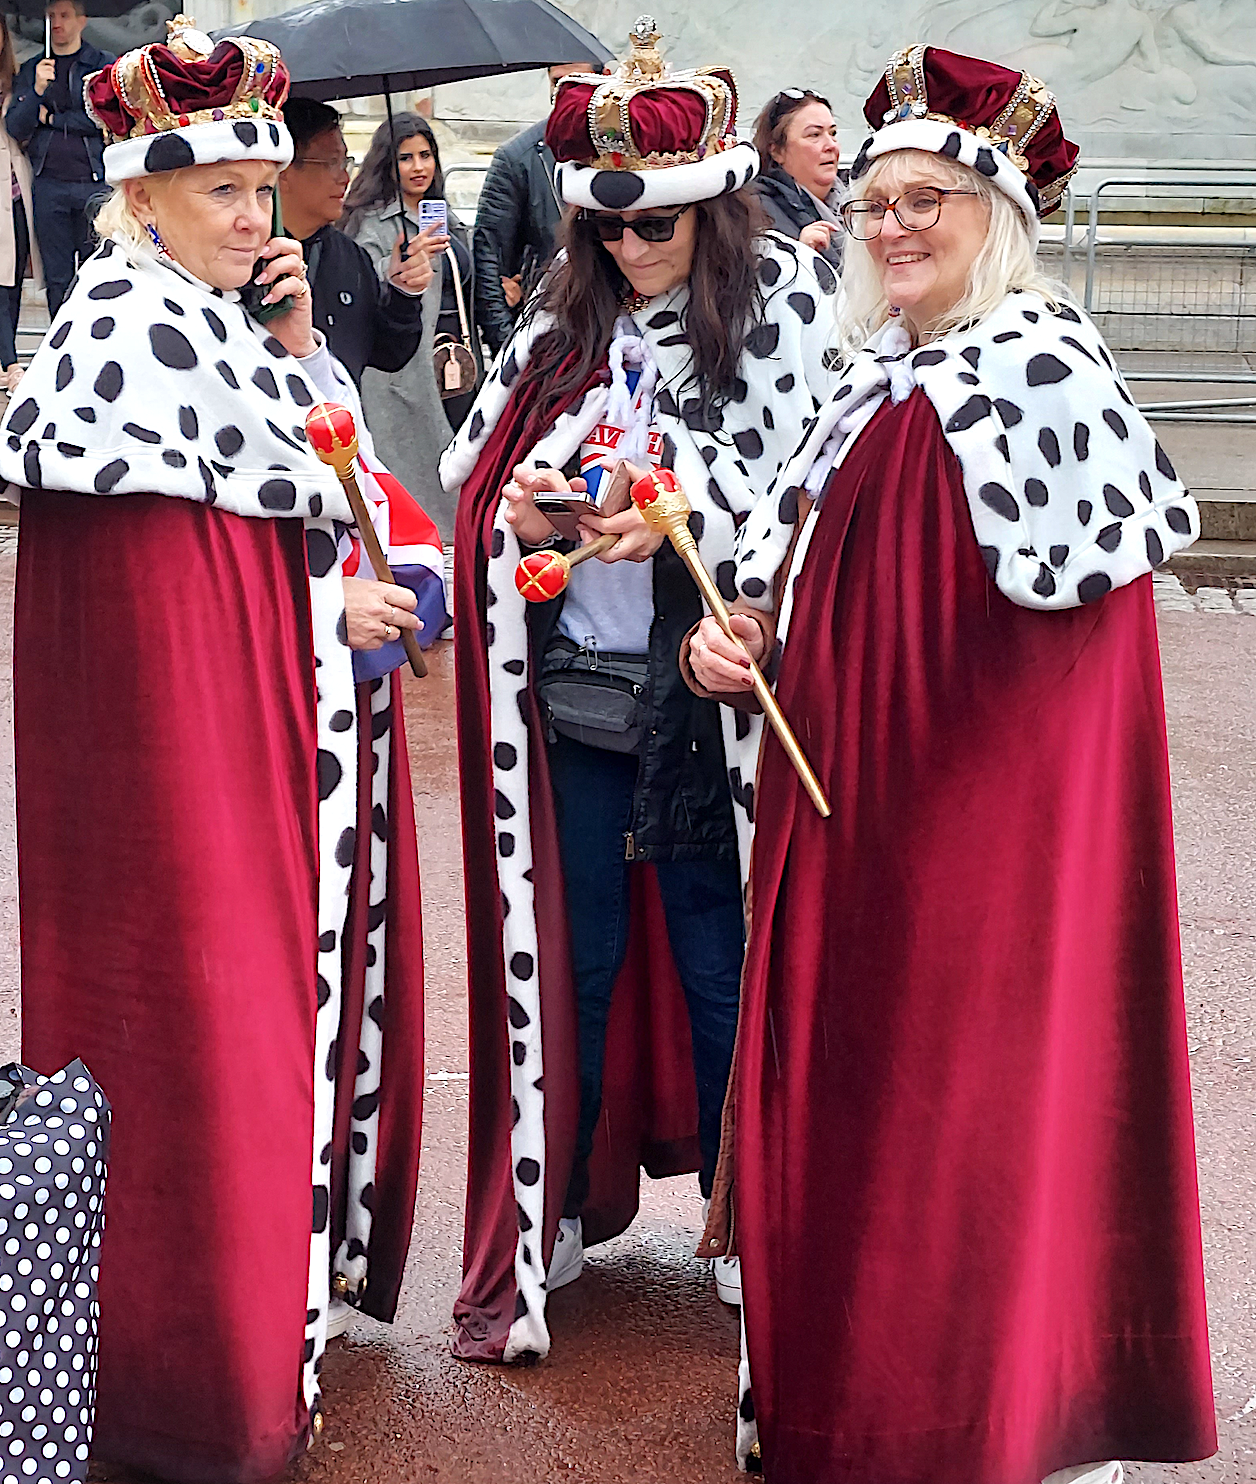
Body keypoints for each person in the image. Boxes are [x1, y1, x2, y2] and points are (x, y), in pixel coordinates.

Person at [687, 43, 1217, 1484]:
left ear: (999, 216)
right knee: (865, 1150)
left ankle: (985, 1431)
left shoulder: (1044, 371)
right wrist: (735, 648)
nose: (894, 225)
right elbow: (810, 591)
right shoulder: (880, 374)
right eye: (875, 201)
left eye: (930, 199)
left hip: (966, 876)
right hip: (850, 841)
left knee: (964, 1151)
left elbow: (1065, 700)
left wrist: (952, 847)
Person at [0, 19, 440, 1481]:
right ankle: (202, 1392)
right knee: (213, 1071)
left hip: (262, 784)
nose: (256, 216)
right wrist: (334, 610)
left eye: (264, 188)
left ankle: (258, 1353)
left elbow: (297, 506)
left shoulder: (212, 321)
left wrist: (304, 346)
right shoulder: (125, 338)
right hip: (194, 820)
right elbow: (172, 625)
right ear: (141, 193)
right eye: (224, 193)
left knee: (259, 1071)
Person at [438, 17, 840, 1368]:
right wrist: (541, 515)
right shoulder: (561, 314)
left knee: (724, 966)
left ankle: (745, 1217)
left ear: (712, 210)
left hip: (711, 709)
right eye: (611, 232)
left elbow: (803, 498)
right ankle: (558, 1200)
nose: (630, 250)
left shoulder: (780, 304)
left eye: (656, 229)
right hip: (573, 693)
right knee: (577, 958)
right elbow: (478, 477)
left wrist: (673, 504)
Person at [342, 112, 477, 543]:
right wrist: (398, 265)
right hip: (405, 364)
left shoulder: (443, 215)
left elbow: (462, 275)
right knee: (420, 462)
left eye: (426, 155)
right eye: (405, 158)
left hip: (456, 356)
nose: (419, 167)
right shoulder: (375, 221)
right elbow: (361, 276)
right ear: (388, 163)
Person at [279, 95, 436, 388]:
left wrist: (404, 293)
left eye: (346, 162)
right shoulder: (246, 259)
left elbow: (387, 354)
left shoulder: (350, 256)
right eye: (331, 163)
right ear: (284, 170)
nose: (344, 178)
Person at [472, 58, 604, 358]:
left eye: (577, 82)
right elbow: (489, 258)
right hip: (551, 334)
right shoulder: (517, 158)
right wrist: (508, 349)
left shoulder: (629, 149)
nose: (566, 92)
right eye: (558, 82)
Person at [6, 0, 112, 318]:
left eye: (64, 16)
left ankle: (96, 338)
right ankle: (60, 342)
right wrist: (37, 90)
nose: (57, 23)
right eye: (51, 16)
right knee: (57, 276)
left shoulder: (101, 66)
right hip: (48, 183)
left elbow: (102, 120)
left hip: (93, 182)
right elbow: (15, 126)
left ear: (82, 21)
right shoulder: (33, 68)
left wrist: (51, 119)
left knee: (98, 271)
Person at [751, 87, 844, 268]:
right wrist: (800, 255)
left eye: (833, 133)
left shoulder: (856, 202)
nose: (831, 145)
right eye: (814, 135)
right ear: (777, 151)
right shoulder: (756, 212)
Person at [0, 17, 40, 392]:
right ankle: (10, 362)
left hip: (13, 191)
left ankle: (7, 362)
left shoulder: (19, 80)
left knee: (10, 281)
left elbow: (23, 129)